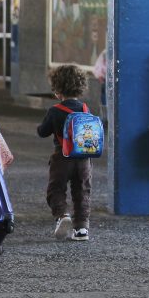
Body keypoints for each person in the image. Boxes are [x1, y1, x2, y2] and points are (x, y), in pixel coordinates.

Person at [36, 65, 92, 242]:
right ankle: (81, 229)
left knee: (56, 189)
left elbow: (43, 132)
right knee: (82, 192)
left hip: (62, 158)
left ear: (57, 89)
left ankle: (62, 215)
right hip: (83, 159)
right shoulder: (85, 109)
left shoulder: (55, 111)